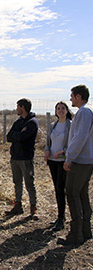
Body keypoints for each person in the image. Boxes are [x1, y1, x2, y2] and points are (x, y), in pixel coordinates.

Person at [57, 85, 93, 247]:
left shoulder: (84, 112)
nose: (70, 98)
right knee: (81, 193)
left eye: (72, 96)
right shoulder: (87, 111)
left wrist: (69, 158)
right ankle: (85, 230)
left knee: (71, 193)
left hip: (80, 161)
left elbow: (79, 137)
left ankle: (75, 234)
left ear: (78, 96)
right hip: (85, 160)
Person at [5, 98, 39, 219]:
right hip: (15, 157)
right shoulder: (18, 122)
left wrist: (17, 135)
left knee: (29, 183)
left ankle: (33, 208)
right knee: (17, 182)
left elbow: (23, 137)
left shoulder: (32, 122)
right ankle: (18, 206)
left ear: (23, 107)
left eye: (18, 106)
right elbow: (8, 137)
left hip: (26, 158)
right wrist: (18, 135)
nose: (16, 109)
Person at [45, 101, 72, 231]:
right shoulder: (53, 125)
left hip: (63, 161)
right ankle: (59, 216)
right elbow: (48, 142)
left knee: (61, 188)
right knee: (57, 188)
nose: (60, 110)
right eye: (58, 108)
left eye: (63, 108)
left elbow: (73, 143)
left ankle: (62, 218)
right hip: (52, 161)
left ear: (67, 110)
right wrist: (46, 150)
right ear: (55, 111)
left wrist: (64, 152)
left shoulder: (70, 126)